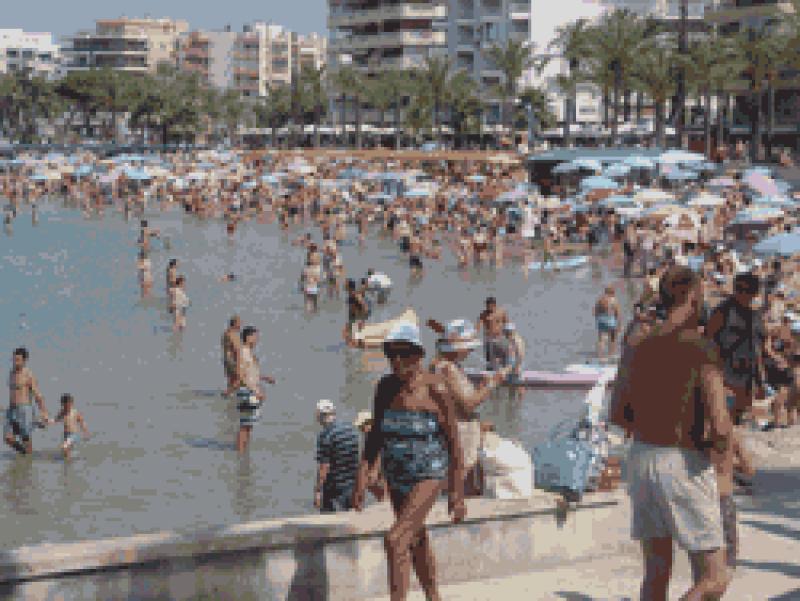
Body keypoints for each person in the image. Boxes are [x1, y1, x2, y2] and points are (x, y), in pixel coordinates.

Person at [610, 266, 733, 601]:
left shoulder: (638, 346)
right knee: (714, 577)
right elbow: (721, 423)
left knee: (656, 571)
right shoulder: (701, 348)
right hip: (682, 460)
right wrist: (724, 469)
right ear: (693, 297)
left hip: (641, 457)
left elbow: (617, 414)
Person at [352, 322, 464, 601]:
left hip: (429, 473)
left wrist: (457, 493)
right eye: (392, 354)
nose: (398, 361)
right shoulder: (385, 388)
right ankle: (433, 596)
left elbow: (454, 443)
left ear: (419, 355)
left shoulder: (436, 389)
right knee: (415, 539)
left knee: (395, 539)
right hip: (397, 474)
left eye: (405, 354)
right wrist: (362, 477)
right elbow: (375, 436)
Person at [429, 319, 510, 496]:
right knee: (461, 482)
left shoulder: (448, 366)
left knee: (464, 481)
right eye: (468, 347)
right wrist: (492, 384)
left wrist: (482, 387)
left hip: (459, 429)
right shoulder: (447, 369)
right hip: (459, 431)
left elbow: (462, 400)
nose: (471, 351)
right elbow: (468, 404)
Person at [705, 272, 766, 424]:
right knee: (721, 416)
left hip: (746, 374)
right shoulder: (723, 311)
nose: (742, 293)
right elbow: (708, 339)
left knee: (738, 417)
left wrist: (760, 380)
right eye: (738, 288)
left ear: (755, 292)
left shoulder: (755, 315)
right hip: (724, 372)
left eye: (747, 290)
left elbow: (757, 348)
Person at [314, 399, 360, 513]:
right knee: (352, 513)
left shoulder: (325, 436)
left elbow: (324, 466)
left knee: (327, 515)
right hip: (353, 481)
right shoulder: (350, 429)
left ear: (319, 416)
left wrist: (318, 490)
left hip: (336, 485)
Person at [235, 326, 275, 453]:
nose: (257, 339)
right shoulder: (243, 352)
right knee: (244, 425)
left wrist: (264, 377)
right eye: (255, 336)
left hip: (251, 390)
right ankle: (240, 453)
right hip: (246, 391)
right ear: (248, 337)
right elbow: (240, 375)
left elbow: (250, 373)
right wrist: (255, 391)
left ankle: (243, 454)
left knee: (249, 424)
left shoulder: (249, 352)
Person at [5, 347, 49, 455]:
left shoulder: (28, 374)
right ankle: (25, 454)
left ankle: (27, 457)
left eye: (18, 360)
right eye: (14, 359)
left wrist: (44, 412)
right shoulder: (11, 373)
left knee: (25, 438)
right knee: (8, 437)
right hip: (12, 408)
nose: (15, 362)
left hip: (24, 409)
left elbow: (38, 395)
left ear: (25, 360)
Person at [353, 410, 387, 502]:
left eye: (361, 426)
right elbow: (365, 456)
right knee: (365, 479)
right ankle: (382, 497)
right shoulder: (368, 436)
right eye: (359, 427)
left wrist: (375, 470)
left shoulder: (377, 433)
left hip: (387, 461)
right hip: (380, 462)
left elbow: (381, 451)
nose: (360, 429)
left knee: (377, 478)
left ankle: (385, 497)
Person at [52, 393, 89, 460]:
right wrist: (48, 421)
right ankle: (68, 463)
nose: (66, 407)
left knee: (64, 447)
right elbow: (55, 420)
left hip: (73, 434)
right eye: (64, 405)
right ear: (62, 404)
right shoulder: (62, 412)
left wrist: (85, 432)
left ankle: (68, 460)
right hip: (66, 434)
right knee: (66, 452)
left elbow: (82, 422)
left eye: (68, 405)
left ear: (71, 403)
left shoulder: (75, 412)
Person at [477, 297, 509, 371]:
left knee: (503, 357)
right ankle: (489, 371)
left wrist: (509, 336)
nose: (488, 307)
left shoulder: (501, 312)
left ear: (494, 305)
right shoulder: (484, 314)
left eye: (489, 305)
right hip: (489, 339)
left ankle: (505, 371)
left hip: (500, 338)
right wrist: (473, 334)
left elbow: (507, 324)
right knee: (489, 358)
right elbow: (478, 325)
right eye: (487, 305)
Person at [594, 286, 620, 360]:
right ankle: (611, 354)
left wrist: (598, 319)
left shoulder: (600, 300)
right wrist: (618, 323)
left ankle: (601, 356)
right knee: (612, 339)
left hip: (601, 320)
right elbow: (617, 313)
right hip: (611, 321)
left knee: (601, 339)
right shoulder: (614, 300)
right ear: (613, 292)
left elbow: (595, 312)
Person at [222, 316, 242, 397]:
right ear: (235, 323)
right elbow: (236, 349)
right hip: (232, 360)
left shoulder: (226, 333)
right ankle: (227, 394)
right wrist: (239, 361)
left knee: (231, 380)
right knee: (239, 379)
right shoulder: (232, 334)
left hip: (227, 359)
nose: (240, 325)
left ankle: (229, 395)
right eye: (239, 323)